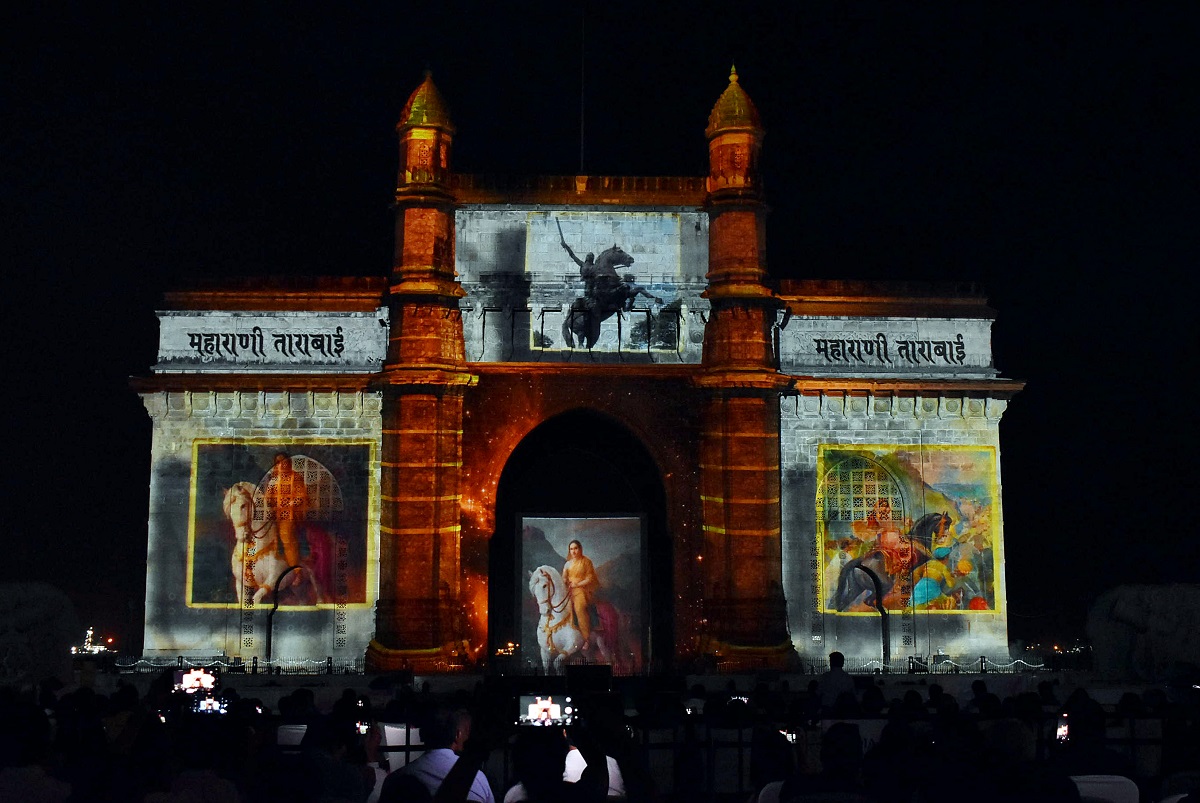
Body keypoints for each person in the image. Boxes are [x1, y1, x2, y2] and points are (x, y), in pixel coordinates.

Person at [391, 707, 495, 803]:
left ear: (421, 735)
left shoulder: (397, 778)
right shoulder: (478, 779)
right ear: (457, 735)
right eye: (467, 732)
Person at [264, 452, 307, 567]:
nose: (282, 465)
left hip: (289, 515)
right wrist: (269, 508)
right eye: (278, 463)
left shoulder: (295, 477)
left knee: (288, 542)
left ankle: (295, 571)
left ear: (289, 463)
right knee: (271, 542)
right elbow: (267, 499)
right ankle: (275, 570)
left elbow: (301, 496)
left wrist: (287, 504)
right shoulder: (273, 480)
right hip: (274, 516)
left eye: (284, 462)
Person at [562, 540, 599, 650]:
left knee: (579, 608)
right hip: (569, 589)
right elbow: (564, 576)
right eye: (571, 549)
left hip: (582, 590)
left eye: (575, 548)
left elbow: (589, 578)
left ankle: (586, 639)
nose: (573, 551)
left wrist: (577, 584)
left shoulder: (586, 561)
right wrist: (566, 581)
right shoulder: (567, 563)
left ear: (580, 549)